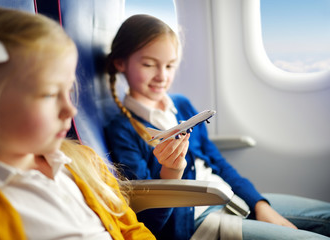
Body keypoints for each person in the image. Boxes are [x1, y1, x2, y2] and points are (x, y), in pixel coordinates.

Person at [104, 14, 330, 240]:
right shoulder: (122, 130)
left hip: (231, 198)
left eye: (170, 65)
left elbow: (218, 163)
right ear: (120, 63)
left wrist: (259, 204)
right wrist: (171, 172)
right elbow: (149, 217)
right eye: (149, 64)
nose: (162, 76)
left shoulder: (181, 106)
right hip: (198, 222)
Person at [0, 7, 155, 240]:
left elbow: (131, 229)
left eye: (68, 91)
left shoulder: (84, 161)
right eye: (48, 94)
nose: (71, 109)